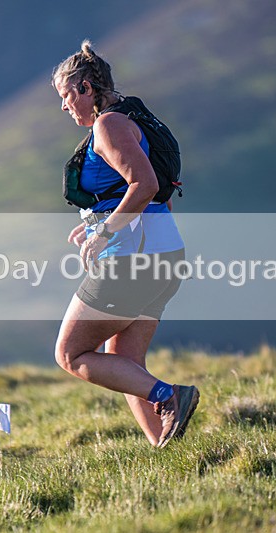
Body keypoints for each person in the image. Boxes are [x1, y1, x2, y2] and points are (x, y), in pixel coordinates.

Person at [52, 40, 199, 448]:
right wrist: (103, 219)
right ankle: (166, 448)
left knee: (72, 355)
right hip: (165, 257)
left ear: (84, 87)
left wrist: (106, 232)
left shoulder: (109, 124)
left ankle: (170, 395)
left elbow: (145, 184)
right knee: (127, 363)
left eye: (65, 97)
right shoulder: (137, 116)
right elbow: (158, 193)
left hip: (131, 262)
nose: (64, 107)